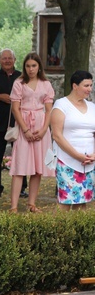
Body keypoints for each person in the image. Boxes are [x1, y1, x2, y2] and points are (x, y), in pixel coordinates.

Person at [8, 53, 54, 213]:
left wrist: (43, 130)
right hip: (24, 123)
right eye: (28, 66)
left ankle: (31, 204)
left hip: (41, 124)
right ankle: (13, 206)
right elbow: (15, 108)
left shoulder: (46, 84)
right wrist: (25, 130)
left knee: (38, 167)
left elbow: (49, 110)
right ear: (24, 67)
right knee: (20, 164)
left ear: (39, 66)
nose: (31, 69)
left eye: (34, 66)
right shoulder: (19, 83)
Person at [50, 70, 95, 210]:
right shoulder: (61, 105)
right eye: (86, 85)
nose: (90, 89)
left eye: (91, 85)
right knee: (66, 202)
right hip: (67, 161)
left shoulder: (92, 107)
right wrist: (77, 155)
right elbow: (56, 135)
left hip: (89, 162)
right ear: (75, 86)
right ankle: (61, 231)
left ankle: (79, 231)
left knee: (82, 202)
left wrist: (94, 155)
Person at [0, 49, 27, 200]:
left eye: (9, 58)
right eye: (4, 58)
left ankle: (22, 188)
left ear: (15, 59)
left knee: (21, 157)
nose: (7, 61)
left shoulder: (22, 77)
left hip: (18, 123)